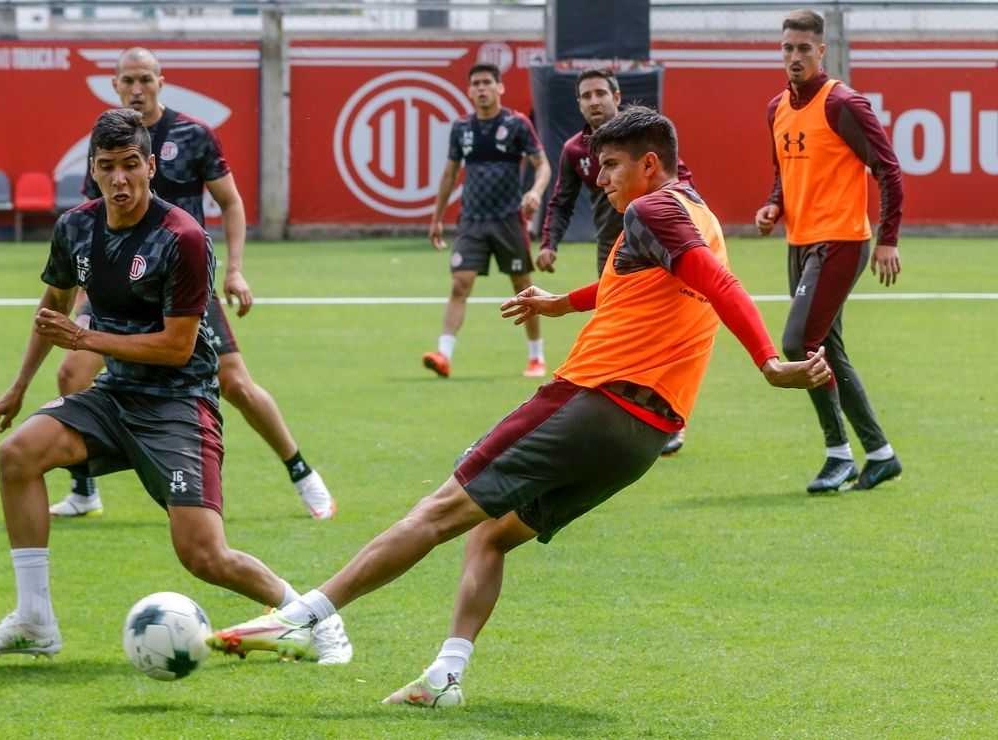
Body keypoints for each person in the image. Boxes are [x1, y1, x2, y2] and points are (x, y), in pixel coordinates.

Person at [203, 108, 831, 705]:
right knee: (491, 534)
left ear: (649, 164)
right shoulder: (697, 213)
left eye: (610, 165)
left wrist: (769, 363)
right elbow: (638, 283)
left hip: (592, 400)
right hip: (643, 438)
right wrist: (562, 305)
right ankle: (447, 674)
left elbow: (719, 284)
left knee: (438, 511)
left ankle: (305, 617)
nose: (600, 177)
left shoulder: (650, 207)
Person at [0, 108, 351, 665]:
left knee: (203, 555)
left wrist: (86, 341)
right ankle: (34, 620)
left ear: (150, 166)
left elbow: (177, 347)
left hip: (179, 405)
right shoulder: (76, 227)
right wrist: (18, 387)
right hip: (116, 398)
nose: (120, 180)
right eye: (107, 167)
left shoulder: (182, 238)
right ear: (92, 171)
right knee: (17, 454)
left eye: (130, 165)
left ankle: (314, 618)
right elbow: (52, 308)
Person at [50, 47, 335, 520]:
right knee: (71, 373)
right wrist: (85, 295)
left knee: (236, 383)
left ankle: (302, 472)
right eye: (127, 81)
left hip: (181, 288)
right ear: (115, 86)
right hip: (119, 287)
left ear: (162, 81)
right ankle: (84, 492)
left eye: (145, 79)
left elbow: (232, 203)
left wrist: (237, 269)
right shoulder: (105, 144)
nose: (136, 88)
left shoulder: (193, 135)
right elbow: (92, 227)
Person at [755, 10, 904, 494]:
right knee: (827, 350)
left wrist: (887, 239)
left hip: (841, 240)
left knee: (799, 345)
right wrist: (774, 205)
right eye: (787, 48)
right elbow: (784, 172)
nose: (794, 56)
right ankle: (879, 454)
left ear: (822, 51)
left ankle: (838, 453)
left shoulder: (843, 103)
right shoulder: (776, 107)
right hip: (799, 243)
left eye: (804, 48)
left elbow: (888, 169)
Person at [537, 69, 688, 457]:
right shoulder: (574, 150)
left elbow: (681, 181)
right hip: (613, 257)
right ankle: (619, 416)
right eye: (585, 95)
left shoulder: (641, 142)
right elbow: (562, 199)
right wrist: (549, 242)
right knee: (617, 338)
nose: (594, 101)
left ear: (617, 95)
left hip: (659, 253)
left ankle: (670, 418)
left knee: (662, 336)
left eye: (601, 92)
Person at [423, 62, 552, 379]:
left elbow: (543, 165)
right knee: (459, 284)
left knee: (522, 286)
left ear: (499, 88)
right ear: (468, 91)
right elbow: (450, 173)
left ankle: (536, 356)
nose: (481, 89)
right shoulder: (461, 129)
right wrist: (437, 218)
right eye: (475, 84)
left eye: (487, 83)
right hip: (472, 221)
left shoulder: (517, 124)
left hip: (509, 219)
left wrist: (535, 192)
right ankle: (444, 354)